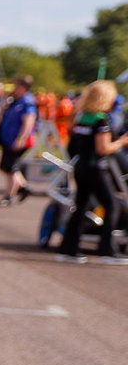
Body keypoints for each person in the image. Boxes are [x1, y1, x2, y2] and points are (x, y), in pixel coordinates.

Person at [57, 80, 128, 263]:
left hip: (81, 167)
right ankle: (107, 251)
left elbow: (73, 145)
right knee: (112, 206)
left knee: (80, 207)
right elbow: (102, 149)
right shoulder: (101, 120)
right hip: (96, 168)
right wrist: (121, 142)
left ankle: (68, 248)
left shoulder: (81, 117)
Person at [0, 75, 38, 207]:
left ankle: (9, 196)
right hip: (9, 139)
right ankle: (23, 187)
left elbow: (29, 121)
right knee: (7, 167)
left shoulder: (27, 101)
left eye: (17, 85)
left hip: (17, 140)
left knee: (11, 168)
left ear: (23, 87)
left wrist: (21, 138)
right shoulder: (15, 101)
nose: (14, 88)